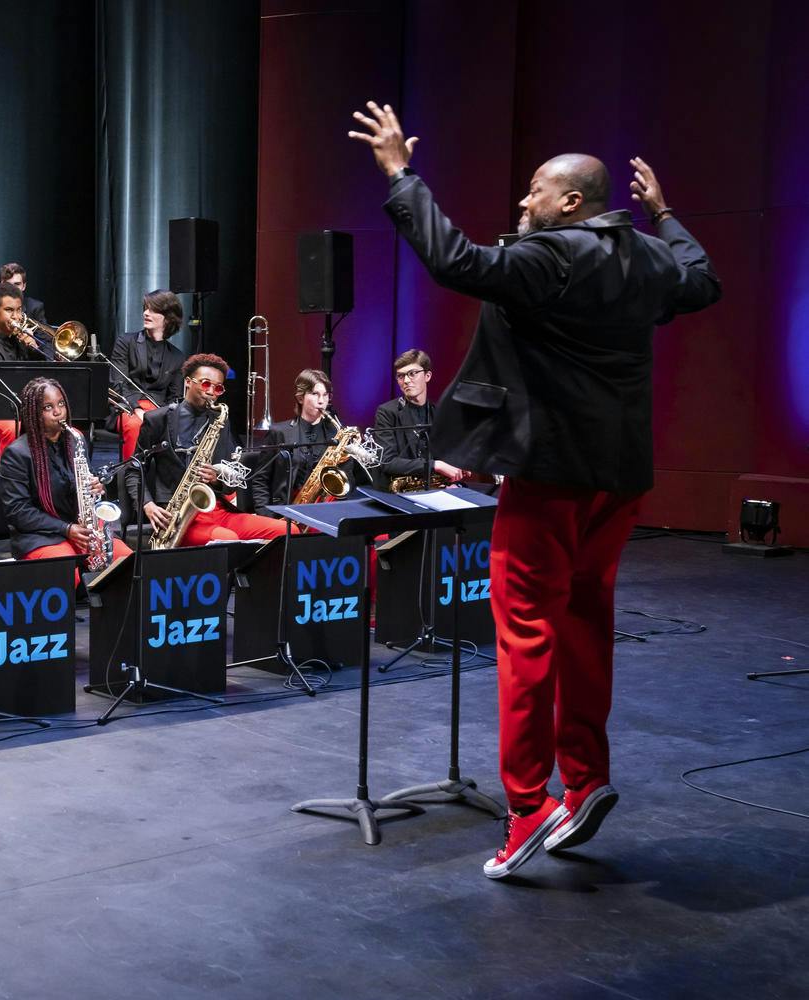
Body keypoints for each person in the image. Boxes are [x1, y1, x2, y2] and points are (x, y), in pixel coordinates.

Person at [350, 101, 721, 878]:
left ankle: (528, 809)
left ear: (572, 204)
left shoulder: (552, 256)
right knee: (586, 623)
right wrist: (666, 214)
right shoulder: (650, 257)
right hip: (618, 482)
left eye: (533, 195)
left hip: (550, 478)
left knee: (525, 635)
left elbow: (454, 260)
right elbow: (702, 279)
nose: (521, 206)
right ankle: (584, 781)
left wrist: (399, 174)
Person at [126, 353, 288, 545]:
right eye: (205, 384)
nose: (211, 391)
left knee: (288, 530)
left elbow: (234, 475)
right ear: (188, 382)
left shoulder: (221, 419)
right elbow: (134, 469)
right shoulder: (157, 419)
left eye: (218, 388)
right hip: (178, 517)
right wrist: (147, 505)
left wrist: (217, 478)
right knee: (228, 539)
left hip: (218, 508)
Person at [0, 377, 131, 584]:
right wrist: (65, 529)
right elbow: (17, 512)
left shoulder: (75, 439)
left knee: (126, 562)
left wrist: (97, 487)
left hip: (81, 529)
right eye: (48, 407)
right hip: (40, 535)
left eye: (61, 404)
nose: (58, 412)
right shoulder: (17, 453)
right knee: (66, 576)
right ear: (33, 413)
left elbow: (84, 484)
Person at [0, 281, 50, 459]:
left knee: (59, 424)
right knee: (13, 428)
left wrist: (34, 349)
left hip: (22, 410)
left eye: (19, 310)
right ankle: (10, 480)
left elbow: (43, 377)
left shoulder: (20, 341)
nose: (17, 316)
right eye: (9, 310)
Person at [109, 290, 187, 461]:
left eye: (153, 310)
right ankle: (132, 475)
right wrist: (137, 409)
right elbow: (118, 383)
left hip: (159, 409)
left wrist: (161, 416)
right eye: (145, 308)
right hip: (127, 406)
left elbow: (175, 397)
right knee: (136, 425)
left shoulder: (177, 357)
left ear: (168, 317)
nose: (146, 313)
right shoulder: (126, 342)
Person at [251, 368, 343, 511]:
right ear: (300, 398)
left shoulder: (336, 434)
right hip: (286, 511)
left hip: (325, 510)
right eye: (315, 394)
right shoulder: (279, 432)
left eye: (325, 395)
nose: (321, 401)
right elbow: (260, 480)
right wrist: (266, 515)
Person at [372, 348, 466, 489]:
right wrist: (435, 465)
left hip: (434, 490)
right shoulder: (386, 412)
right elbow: (387, 462)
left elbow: (448, 457)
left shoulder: (439, 414)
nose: (406, 381)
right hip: (397, 494)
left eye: (412, 374)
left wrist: (454, 481)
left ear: (427, 376)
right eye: (401, 376)